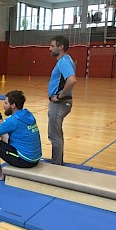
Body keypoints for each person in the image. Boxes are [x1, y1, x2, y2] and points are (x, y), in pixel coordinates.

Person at [0, 90, 42, 180]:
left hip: (25, 160)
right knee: (4, 133)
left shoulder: (13, 120)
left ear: (13, 105)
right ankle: (10, 158)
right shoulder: (28, 114)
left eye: (6, 103)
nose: (4, 106)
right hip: (35, 158)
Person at [48, 35, 76, 165]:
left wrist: (59, 96)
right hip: (61, 102)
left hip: (59, 103)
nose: (50, 48)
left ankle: (56, 165)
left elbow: (71, 80)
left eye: (52, 46)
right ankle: (57, 161)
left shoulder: (64, 61)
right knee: (56, 134)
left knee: (54, 136)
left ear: (61, 47)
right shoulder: (65, 60)